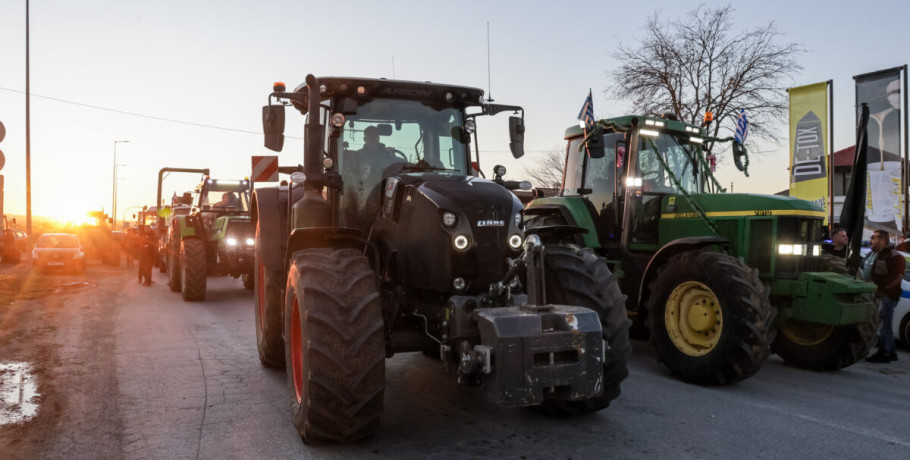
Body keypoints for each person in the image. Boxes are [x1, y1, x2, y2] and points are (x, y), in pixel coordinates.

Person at [861, 229, 905, 363]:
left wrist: (886, 288)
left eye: (874, 237)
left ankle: (884, 353)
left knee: (885, 325)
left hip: (887, 296)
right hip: (880, 294)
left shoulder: (894, 256)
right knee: (886, 324)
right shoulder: (876, 255)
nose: (871, 240)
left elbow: (898, 277)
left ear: (882, 240)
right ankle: (891, 352)